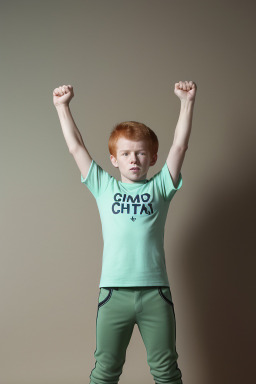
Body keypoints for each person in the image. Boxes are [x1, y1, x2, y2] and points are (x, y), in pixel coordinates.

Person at [53, 80, 197, 384]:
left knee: (166, 371)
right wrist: (62, 107)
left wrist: (186, 102)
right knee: (105, 372)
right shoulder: (104, 186)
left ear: (153, 159)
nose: (134, 159)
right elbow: (76, 147)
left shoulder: (161, 187)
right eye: (127, 153)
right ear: (114, 159)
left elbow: (180, 146)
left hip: (156, 293)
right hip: (113, 294)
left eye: (142, 153)